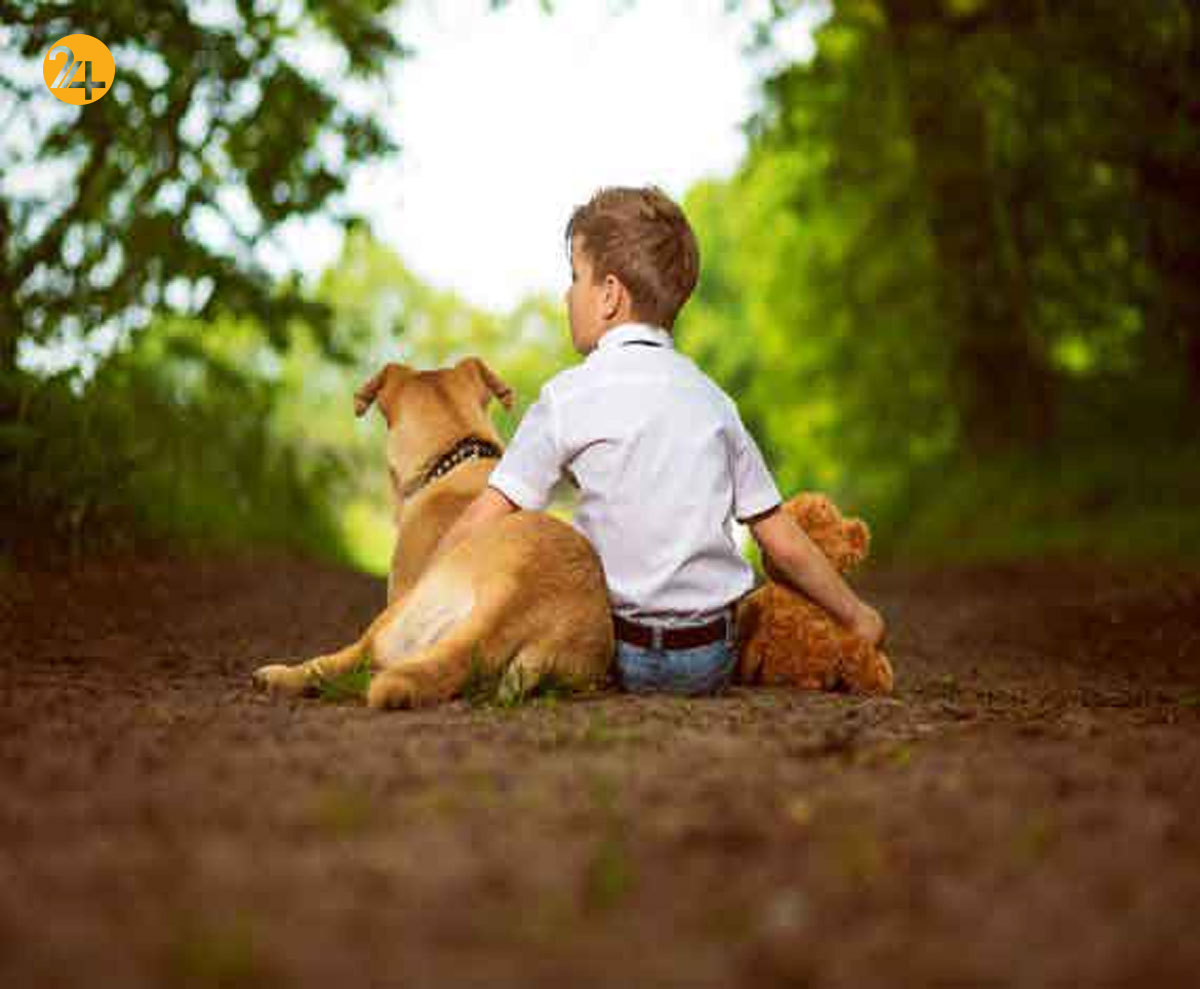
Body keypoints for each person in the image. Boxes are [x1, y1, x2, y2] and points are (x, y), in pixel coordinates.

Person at [433, 186, 885, 695]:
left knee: (538, 539)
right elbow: (778, 535)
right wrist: (855, 613)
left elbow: (485, 517)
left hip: (612, 653)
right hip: (708, 659)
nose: (566, 295)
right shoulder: (714, 401)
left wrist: (411, 600)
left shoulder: (568, 396)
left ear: (609, 294)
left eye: (574, 277)